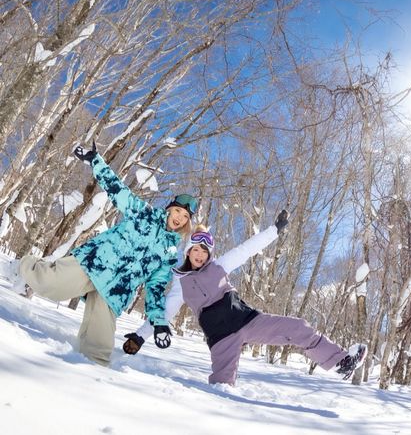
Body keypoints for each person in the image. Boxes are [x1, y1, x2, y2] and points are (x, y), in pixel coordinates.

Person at [3, 142, 196, 366]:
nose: (180, 218)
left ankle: (83, 379)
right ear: (170, 208)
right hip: (95, 263)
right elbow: (117, 190)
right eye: (178, 211)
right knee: (49, 283)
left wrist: (159, 321)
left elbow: (155, 289)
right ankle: (19, 267)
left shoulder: (170, 253)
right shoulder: (144, 213)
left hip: (116, 292)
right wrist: (95, 161)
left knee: (98, 351)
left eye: (185, 217)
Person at [123, 210, 367, 385]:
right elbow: (165, 312)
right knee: (221, 388)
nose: (199, 255)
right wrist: (140, 336)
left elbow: (246, 250)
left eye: (204, 252)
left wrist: (274, 231)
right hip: (220, 339)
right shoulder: (180, 282)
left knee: (298, 327)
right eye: (195, 250)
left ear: (209, 255)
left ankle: (341, 362)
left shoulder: (218, 267)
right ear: (188, 252)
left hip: (247, 321)